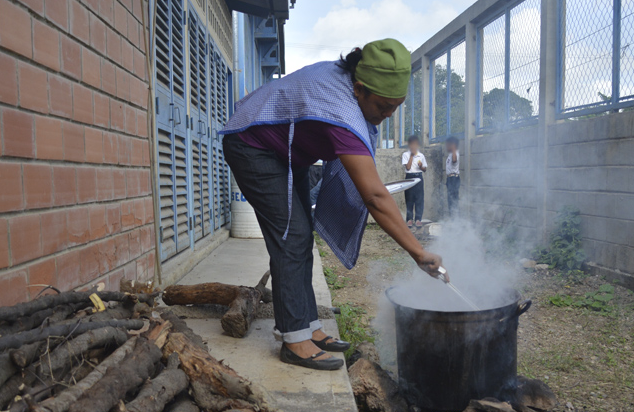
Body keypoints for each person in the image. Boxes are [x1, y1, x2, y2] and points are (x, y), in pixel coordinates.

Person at [220, 39, 445, 371]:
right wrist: (418, 252)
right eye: (383, 106)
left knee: (301, 237)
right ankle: (294, 339)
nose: (386, 116)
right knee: (291, 237)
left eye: (395, 107)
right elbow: (375, 197)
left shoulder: (348, 84)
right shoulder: (340, 109)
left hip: (284, 151)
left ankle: (309, 326)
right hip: (252, 146)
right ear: (359, 89)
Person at [402, 135, 427, 228]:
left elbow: (424, 169)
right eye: (412, 144)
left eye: (415, 144)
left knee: (419, 199)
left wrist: (421, 166)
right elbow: (408, 167)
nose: (414, 146)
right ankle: (409, 219)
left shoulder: (421, 155)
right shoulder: (405, 155)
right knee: (409, 199)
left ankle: (418, 219)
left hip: (419, 177)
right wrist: (412, 156)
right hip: (409, 177)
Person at [445, 137, 460, 217]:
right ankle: (452, 219)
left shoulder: (455, 153)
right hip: (450, 179)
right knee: (450, 200)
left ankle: (455, 219)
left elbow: (454, 160)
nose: (447, 147)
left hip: (454, 179)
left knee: (454, 200)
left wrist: (453, 148)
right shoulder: (450, 154)